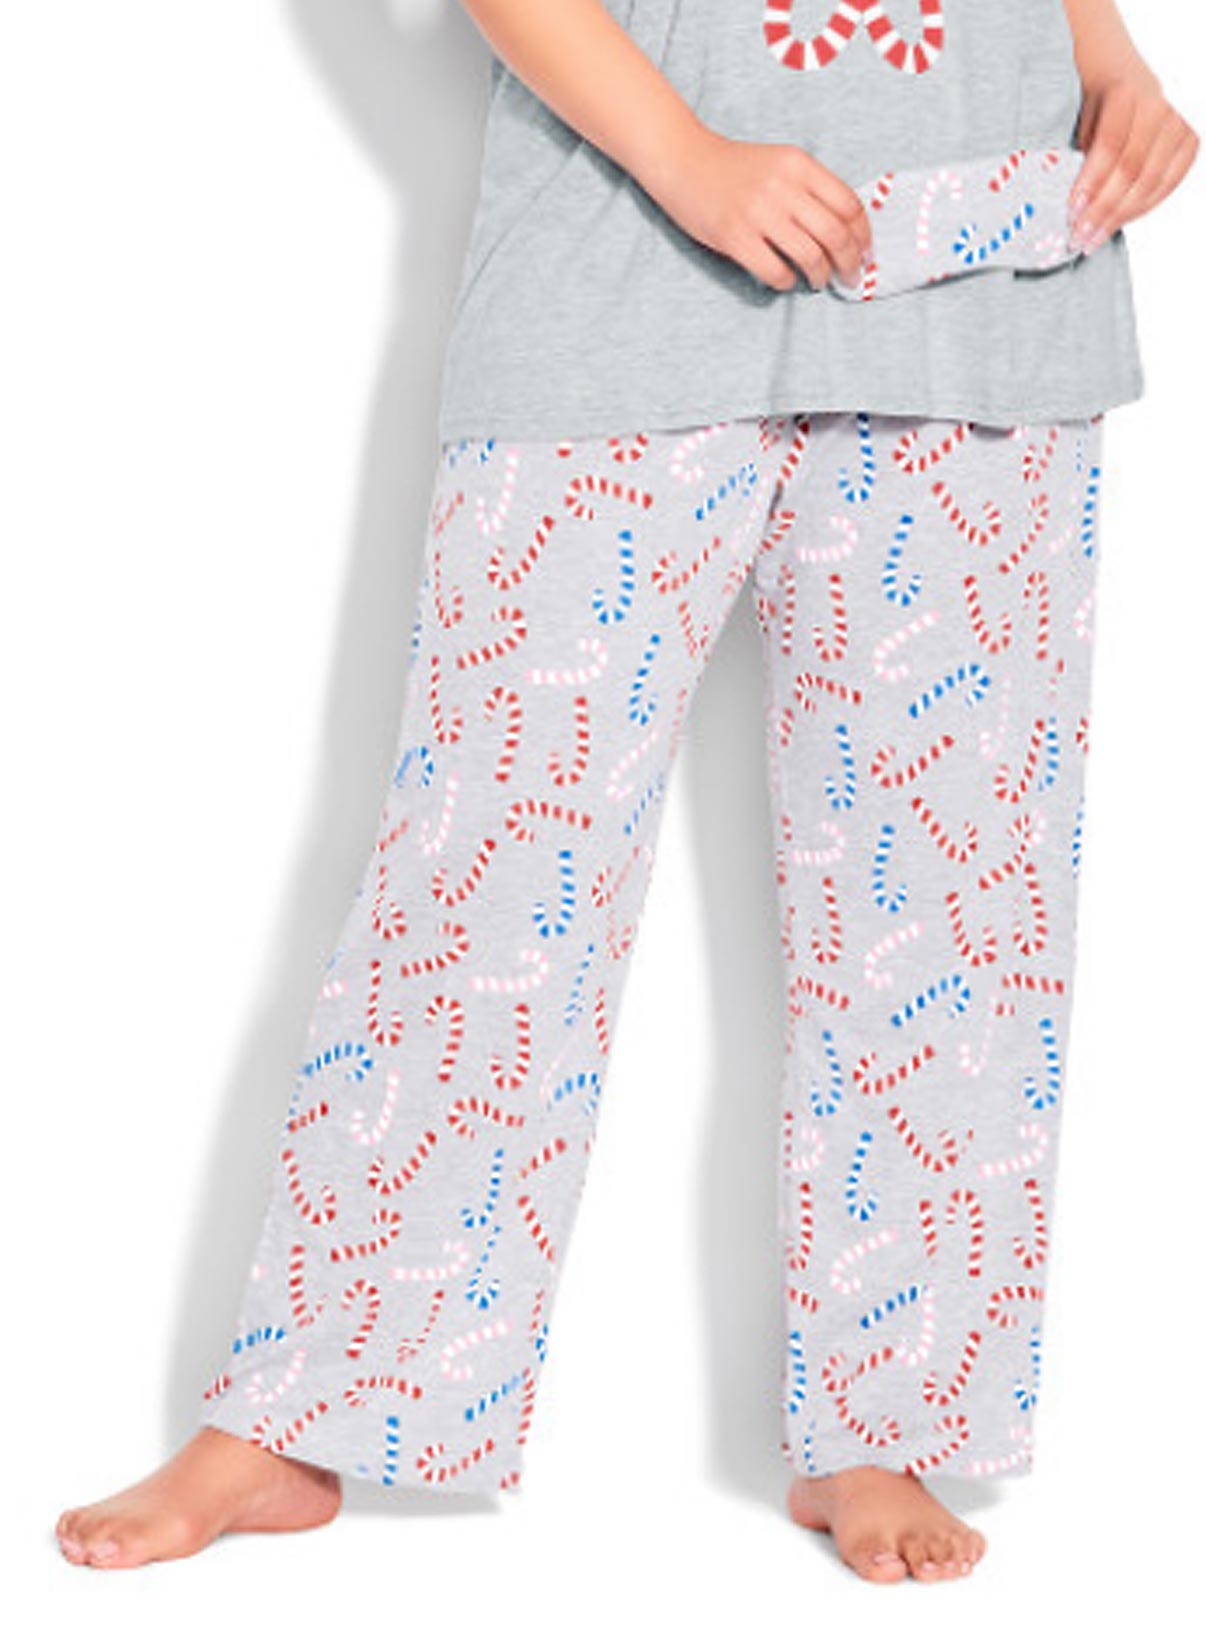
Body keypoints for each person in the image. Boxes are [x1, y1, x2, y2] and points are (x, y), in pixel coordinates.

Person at [56, 0, 1196, 1584]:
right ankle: (304, 1405)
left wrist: (1108, 62)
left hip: (991, 271)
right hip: (623, 267)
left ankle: (883, 1422)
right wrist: (685, 157)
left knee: (950, 908)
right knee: (489, 878)